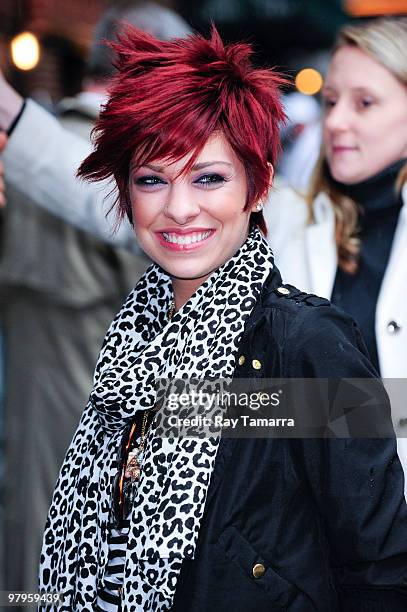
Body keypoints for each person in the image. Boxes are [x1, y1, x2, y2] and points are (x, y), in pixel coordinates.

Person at [39, 25, 407, 612]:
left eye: (209, 177)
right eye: (152, 180)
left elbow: (380, 568)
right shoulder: (129, 344)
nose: (180, 208)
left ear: (258, 186)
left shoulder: (310, 344)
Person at [0, 0, 191, 600]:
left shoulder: (48, 131)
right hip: (101, 353)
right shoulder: (120, 148)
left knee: (34, 500)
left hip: (30, 346)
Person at [265, 16, 407, 486]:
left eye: (364, 103)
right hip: (309, 536)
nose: (337, 120)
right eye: (330, 101)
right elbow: (147, 209)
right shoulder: (284, 216)